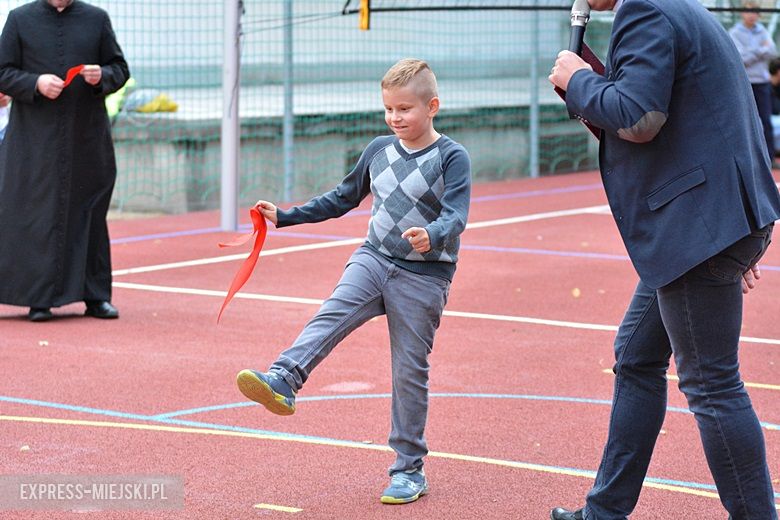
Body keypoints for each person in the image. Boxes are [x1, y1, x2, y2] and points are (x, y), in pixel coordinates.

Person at [548, 0, 780, 518]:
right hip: (709, 222)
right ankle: (605, 512)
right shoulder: (674, 6)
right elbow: (692, 109)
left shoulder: (644, 11)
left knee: (713, 386)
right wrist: (736, 224)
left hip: (698, 228)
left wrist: (579, 80)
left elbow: (639, 118)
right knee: (636, 357)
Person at [236, 58, 471, 505]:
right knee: (332, 313)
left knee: (409, 371)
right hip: (373, 258)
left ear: (432, 107)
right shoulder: (378, 150)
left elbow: (457, 214)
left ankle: (408, 470)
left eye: (404, 109)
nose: (395, 118)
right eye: (389, 109)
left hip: (424, 276)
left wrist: (434, 234)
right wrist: (286, 216)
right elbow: (343, 197)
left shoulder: (451, 157)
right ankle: (284, 379)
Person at [0, 0, 130, 322]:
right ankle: (38, 300)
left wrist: (101, 75)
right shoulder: (19, 19)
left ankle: (96, 297)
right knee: (36, 216)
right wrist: (35, 83)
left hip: (85, 136)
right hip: (34, 139)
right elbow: (2, 72)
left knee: (90, 213)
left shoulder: (96, 19)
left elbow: (120, 69)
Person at [730, 1, 777, 163]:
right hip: (744, 83)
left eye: (755, 12)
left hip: (762, 84)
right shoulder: (734, 33)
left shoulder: (763, 31)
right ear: (742, 13)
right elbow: (740, 59)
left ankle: (770, 158)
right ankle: (742, 160)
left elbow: (772, 52)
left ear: (759, 15)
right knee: (741, 122)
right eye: (748, 11)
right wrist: (761, 50)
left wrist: (751, 53)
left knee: (766, 121)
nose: (751, 15)